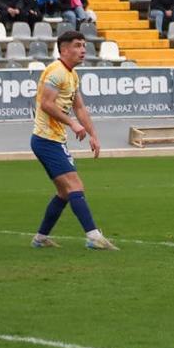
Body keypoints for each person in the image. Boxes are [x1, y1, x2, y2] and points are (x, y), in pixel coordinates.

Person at [29, 32, 115, 250]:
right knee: (75, 186)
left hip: (53, 139)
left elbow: (79, 107)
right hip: (46, 139)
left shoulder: (72, 75)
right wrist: (73, 124)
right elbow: (46, 104)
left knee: (65, 192)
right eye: (78, 45)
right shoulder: (56, 72)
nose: (83, 49)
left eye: (84, 45)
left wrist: (93, 135)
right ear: (64, 50)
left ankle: (40, 238)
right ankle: (94, 237)